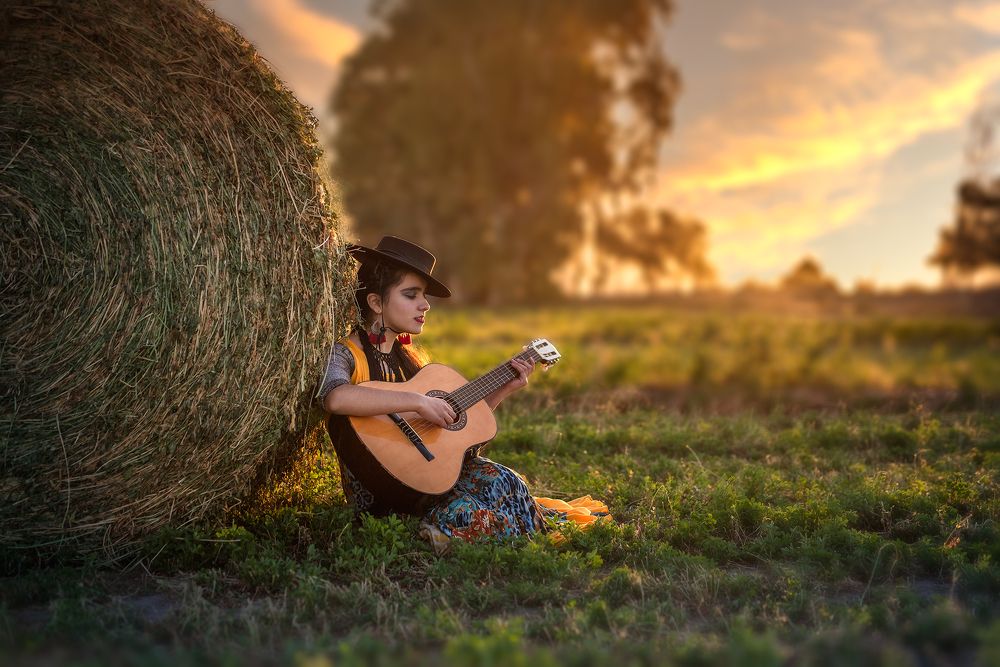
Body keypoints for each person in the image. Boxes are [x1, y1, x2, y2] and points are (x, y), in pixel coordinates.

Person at [318, 236, 608, 549]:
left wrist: (503, 389)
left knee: (506, 481)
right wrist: (418, 401)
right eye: (411, 295)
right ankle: (435, 532)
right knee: (470, 514)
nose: (425, 305)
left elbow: (452, 433)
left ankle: (453, 530)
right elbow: (335, 397)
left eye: (424, 296)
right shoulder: (346, 354)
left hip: (426, 480)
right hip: (384, 493)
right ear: (376, 302)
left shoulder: (411, 363)